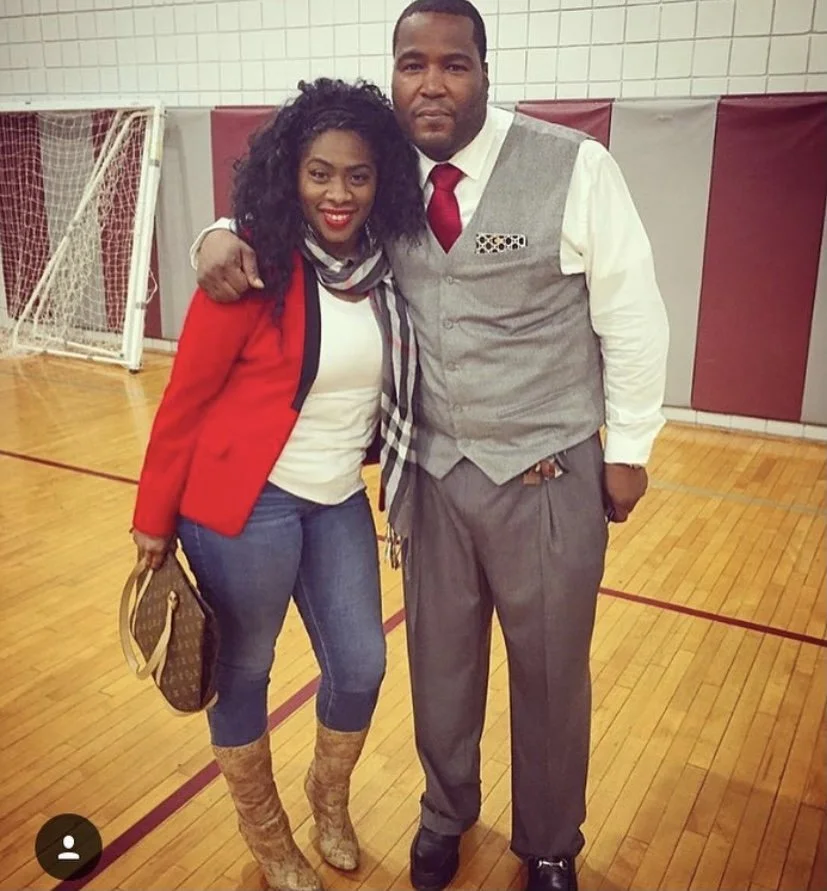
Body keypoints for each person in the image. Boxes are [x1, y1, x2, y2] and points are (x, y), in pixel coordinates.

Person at [191, 2, 671, 889]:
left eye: (454, 64)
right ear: (394, 75)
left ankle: (551, 842)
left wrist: (630, 444)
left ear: (486, 70)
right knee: (438, 668)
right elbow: (293, 208)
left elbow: (631, 310)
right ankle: (445, 812)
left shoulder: (574, 167)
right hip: (434, 476)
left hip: (546, 468)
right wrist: (215, 230)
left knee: (550, 673)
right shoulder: (384, 180)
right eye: (413, 64)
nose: (432, 83)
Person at [131, 77, 425, 891]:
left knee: (361, 663)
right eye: (319, 173)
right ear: (291, 175)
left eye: (358, 175)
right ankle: (265, 834)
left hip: (334, 497)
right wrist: (153, 518)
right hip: (241, 505)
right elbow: (183, 399)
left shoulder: (390, 265)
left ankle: (326, 801)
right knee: (245, 666)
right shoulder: (251, 265)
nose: (338, 193)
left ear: (382, 180)